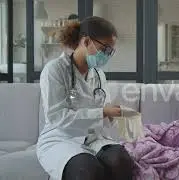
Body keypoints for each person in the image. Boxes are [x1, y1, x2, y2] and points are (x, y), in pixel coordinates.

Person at [36, 16, 134, 180]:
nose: (107, 55)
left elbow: (105, 109)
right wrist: (103, 112)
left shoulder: (98, 74)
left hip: (94, 138)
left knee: (121, 160)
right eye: (105, 49)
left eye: (111, 51)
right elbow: (58, 118)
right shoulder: (55, 70)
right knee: (87, 170)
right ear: (86, 41)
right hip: (61, 139)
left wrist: (117, 113)